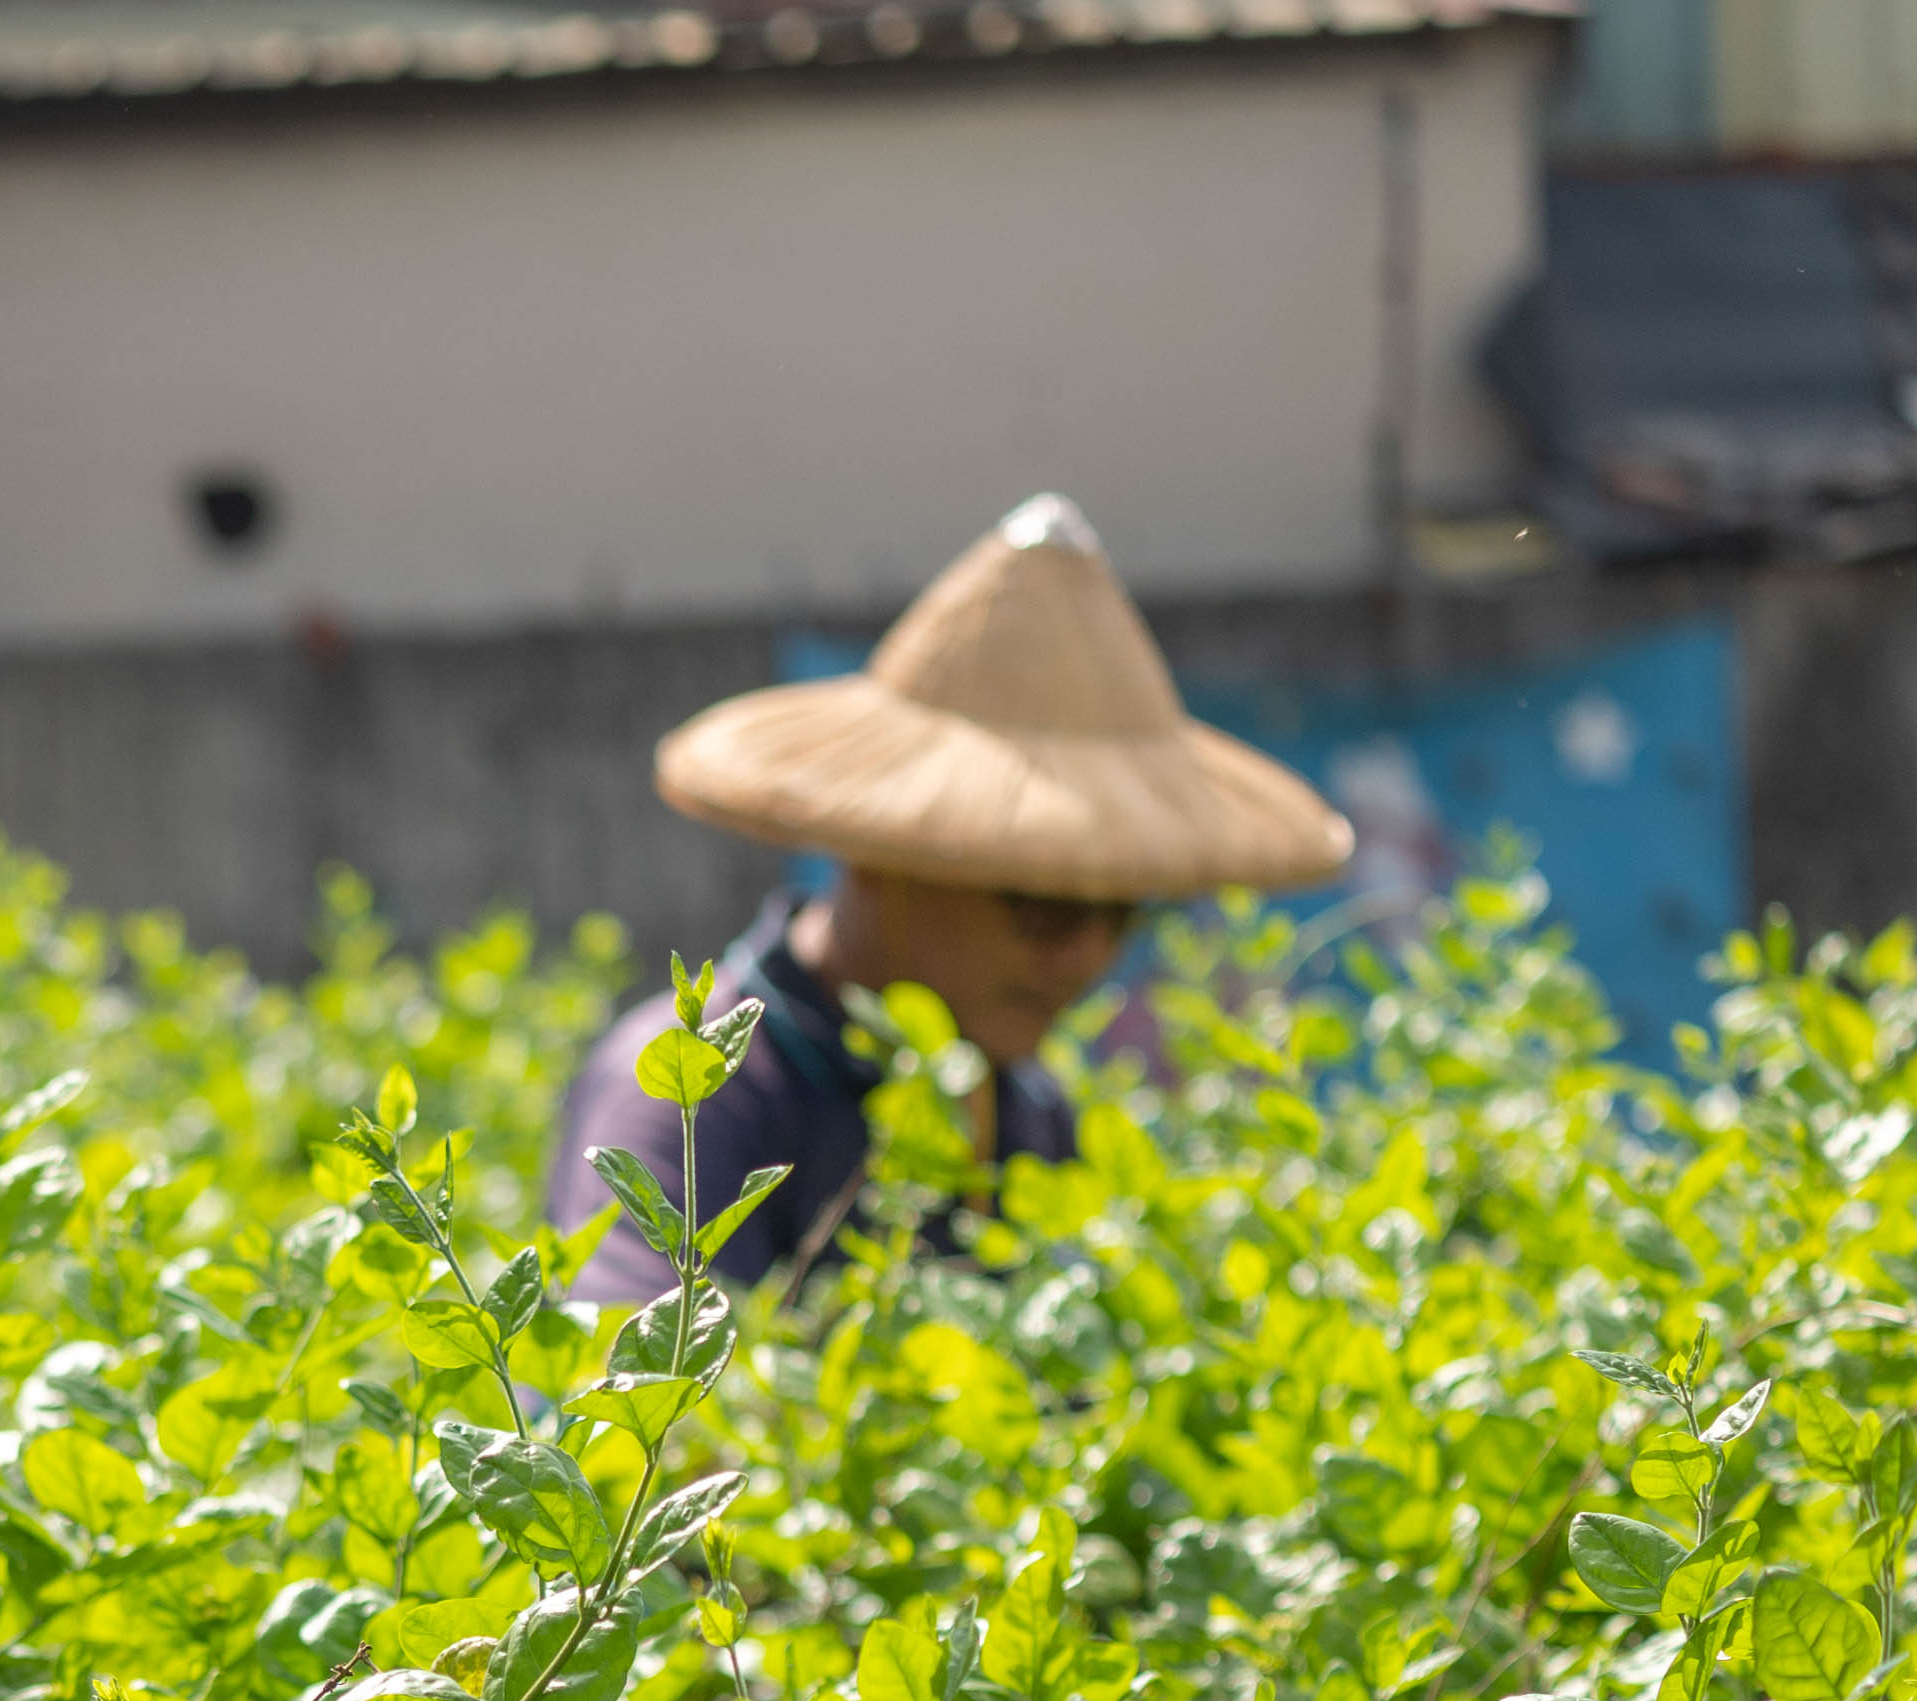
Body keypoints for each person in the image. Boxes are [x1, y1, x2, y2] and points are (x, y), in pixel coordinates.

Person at [549, 495, 1351, 1298]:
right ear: (883, 854)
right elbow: (640, 1407)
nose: (1085, 957)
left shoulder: (1028, 1111)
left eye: (1121, 913)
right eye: (1045, 906)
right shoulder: (693, 1098)